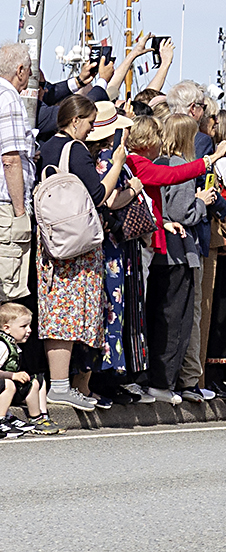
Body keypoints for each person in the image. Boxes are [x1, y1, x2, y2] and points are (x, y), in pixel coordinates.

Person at [36, 96, 137, 410]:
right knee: (67, 314)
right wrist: (118, 164)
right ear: (76, 120)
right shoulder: (75, 149)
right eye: (90, 122)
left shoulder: (48, 145)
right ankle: (62, 385)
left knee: (56, 313)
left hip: (53, 239)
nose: (92, 129)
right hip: (76, 245)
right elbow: (97, 194)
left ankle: (61, 384)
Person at [143, 113, 226, 402]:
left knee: (163, 316)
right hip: (179, 252)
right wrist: (202, 202)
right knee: (177, 319)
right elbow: (183, 213)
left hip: (161, 251)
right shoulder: (180, 166)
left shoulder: (157, 163)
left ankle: (167, 380)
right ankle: (167, 382)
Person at [0, 44, 36, 311]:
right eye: (30, 69)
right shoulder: (9, 97)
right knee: (8, 293)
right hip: (6, 205)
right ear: (20, 70)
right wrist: (20, 212)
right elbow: (11, 159)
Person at [0, 302, 58, 436]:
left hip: (9, 387)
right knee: (9, 384)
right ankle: (2, 420)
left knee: (38, 378)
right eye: (23, 326)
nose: (29, 330)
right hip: (4, 385)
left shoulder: (14, 345)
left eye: (29, 326)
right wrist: (12, 376)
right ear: (7, 328)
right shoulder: (2, 346)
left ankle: (41, 417)